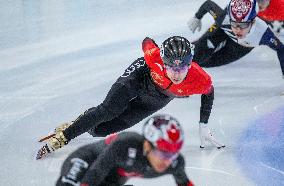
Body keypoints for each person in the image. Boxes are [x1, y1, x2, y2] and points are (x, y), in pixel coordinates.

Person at [36, 36, 225, 160]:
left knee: (102, 130)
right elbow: (147, 41)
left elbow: (209, 93)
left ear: (190, 64)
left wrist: (203, 124)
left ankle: (78, 122)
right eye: (171, 67)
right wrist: (62, 139)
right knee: (109, 110)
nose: (176, 73)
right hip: (140, 77)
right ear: (162, 60)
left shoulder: (200, 78)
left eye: (182, 68)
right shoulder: (154, 57)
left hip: (159, 97)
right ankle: (65, 135)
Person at [55, 114, 195, 186]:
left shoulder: (175, 163)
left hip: (110, 179)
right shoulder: (127, 144)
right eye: (162, 153)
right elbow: (97, 172)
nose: (166, 161)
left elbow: (184, 183)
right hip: (88, 161)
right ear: (147, 145)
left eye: (172, 155)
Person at [187, 0, 284, 72]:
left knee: (207, 62)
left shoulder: (262, 33)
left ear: (253, 22)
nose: (238, 30)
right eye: (235, 25)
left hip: (242, 45)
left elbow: (281, 49)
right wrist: (197, 17)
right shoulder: (225, 18)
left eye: (243, 26)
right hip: (225, 27)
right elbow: (208, 5)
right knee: (200, 52)